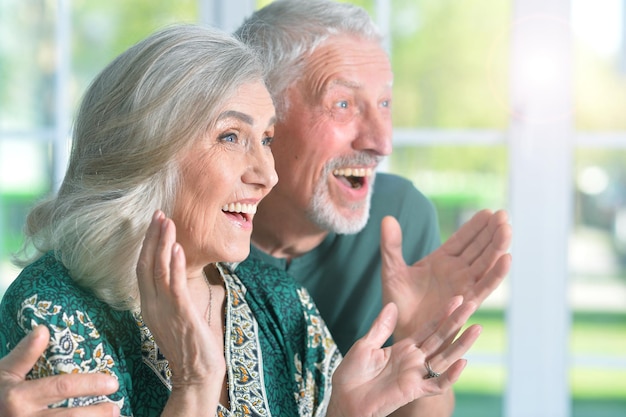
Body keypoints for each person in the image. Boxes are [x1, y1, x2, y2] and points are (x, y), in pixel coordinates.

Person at [0, 24, 484, 417]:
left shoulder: (277, 298)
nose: (266, 174)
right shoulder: (52, 312)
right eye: (231, 137)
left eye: (267, 139)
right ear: (146, 153)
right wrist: (194, 386)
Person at [235, 1, 512, 415]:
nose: (381, 143)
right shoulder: (198, 229)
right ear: (261, 117)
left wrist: (420, 343)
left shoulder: (399, 215)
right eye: (343, 104)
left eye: (384, 104)